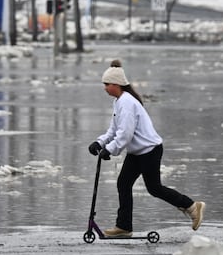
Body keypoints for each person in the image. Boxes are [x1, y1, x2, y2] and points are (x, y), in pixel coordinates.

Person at [88, 59, 205, 238]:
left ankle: (192, 206)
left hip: (149, 150)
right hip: (137, 152)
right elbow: (114, 130)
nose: (104, 88)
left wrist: (110, 150)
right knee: (123, 184)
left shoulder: (127, 103)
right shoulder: (119, 101)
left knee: (154, 188)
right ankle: (124, 227)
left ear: (117, 84)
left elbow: (125, 134)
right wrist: (100, 143)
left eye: (107, 84)